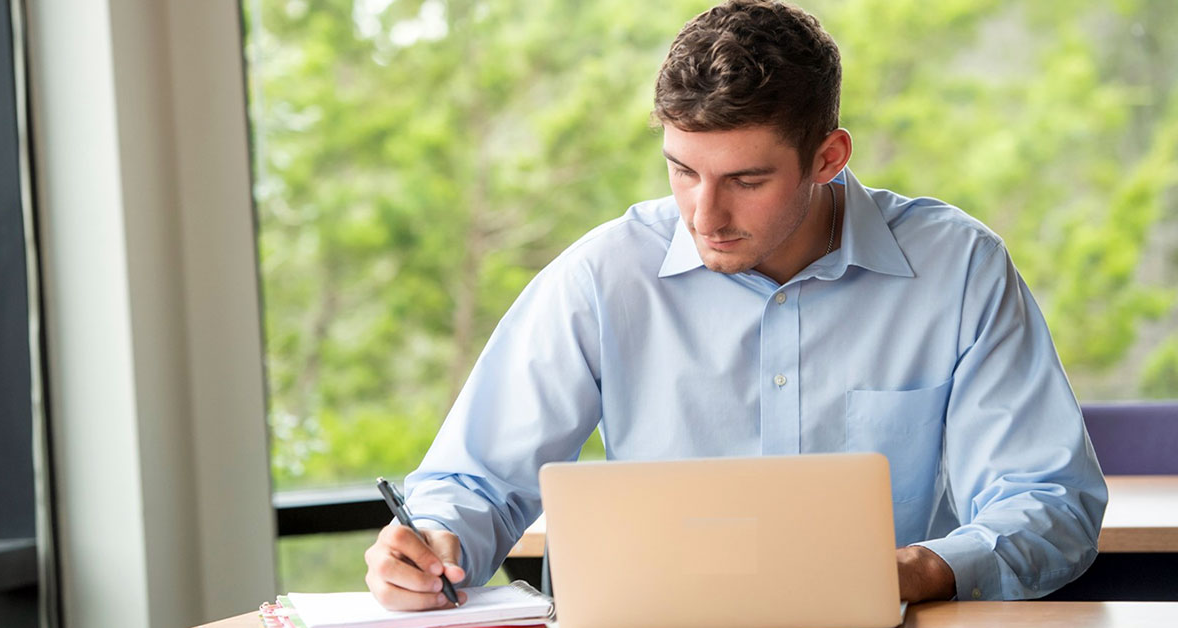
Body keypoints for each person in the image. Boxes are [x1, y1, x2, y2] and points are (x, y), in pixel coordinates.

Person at [364, 0, 1107, 611]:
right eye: (682, 171)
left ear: (828, 158)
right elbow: (474, 481)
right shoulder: (604, 275)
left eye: (746, 180)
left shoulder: (959, 268)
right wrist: (434, 537)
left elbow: (1049, 501)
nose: (703, 213)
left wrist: (918, 568)